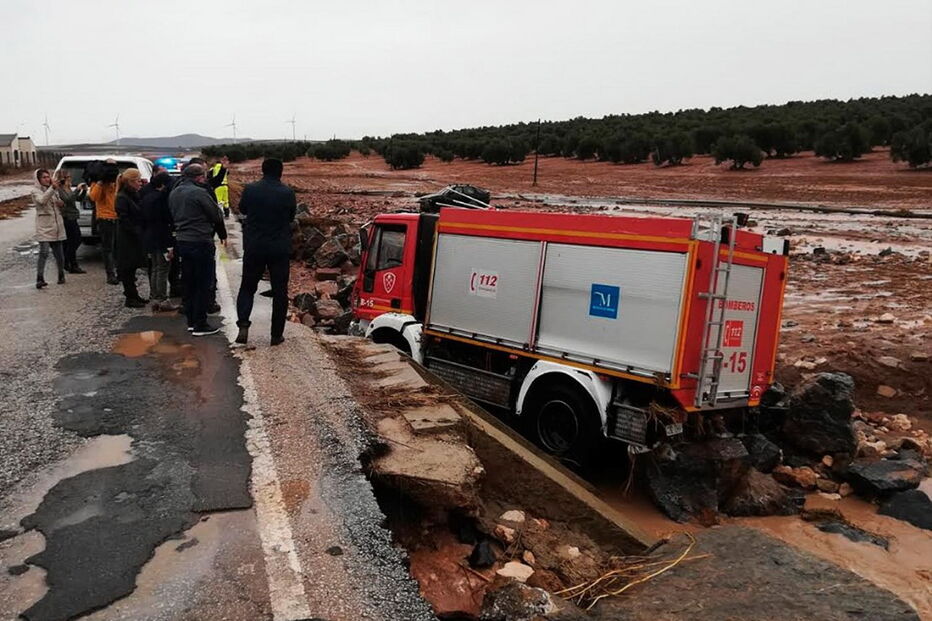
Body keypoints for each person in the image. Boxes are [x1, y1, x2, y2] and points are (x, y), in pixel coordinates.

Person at [235, 158, 296, 346]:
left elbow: (242, 209)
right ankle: (276, 335)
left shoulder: (250, 189)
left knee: (247, 287)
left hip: (254, 246)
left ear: (262, 170)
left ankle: (243, 325)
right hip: (279, 247)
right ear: (281, 172)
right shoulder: (287, 192)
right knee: (280, 292)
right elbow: (291, 216)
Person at [169, 164, 227, 336]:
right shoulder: (199, 193)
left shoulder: (174, 192)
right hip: (200, 240)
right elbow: (215, 215)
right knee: (203, 282)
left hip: (182, 241)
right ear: (200, 177)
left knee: (189, 281)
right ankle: (200, 323)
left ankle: (191, 321)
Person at [140, 172, 179, 311]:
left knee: (155, 268)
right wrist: (170, 244)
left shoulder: (147, 197)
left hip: (150, 237)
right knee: (163, 269)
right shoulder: (162, 199)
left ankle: (155, 297)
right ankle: (162, 299)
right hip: (162, 237)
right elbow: (166, 221)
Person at [114, 169, 149, 308]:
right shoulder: (122, 197)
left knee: (132, 268)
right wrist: (136, 231)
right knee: (127, 269)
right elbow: (124, 218)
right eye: (138, 181)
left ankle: (134, 295)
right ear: (131, 181)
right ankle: (130, 296)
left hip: (134, 236)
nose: (140, 183)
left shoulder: (133, 195)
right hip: (126, 238)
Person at [31, 169, 67, 289]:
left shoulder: (53, 190)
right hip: (44, 226)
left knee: (59, 254)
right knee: (44, 252)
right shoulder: (35, 191)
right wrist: (52, 188)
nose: (47, 179)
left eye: (48, 177)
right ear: (38, 179)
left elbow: (57, 202)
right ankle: (40, 278)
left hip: (56, 225)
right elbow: (42, 200)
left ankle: (61, 275)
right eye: (44, 177)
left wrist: (61, 203)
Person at [87, 160, 120, 284]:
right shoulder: (97, 184)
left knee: (118, 248)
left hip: (117, 218)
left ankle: (120, 272)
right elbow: (93, 197)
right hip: (105, 219)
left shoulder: (116, 182)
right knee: (108, 249)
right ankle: (110, 274)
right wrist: (100, 182)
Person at [54, 169, 87, 274]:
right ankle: (66, 261)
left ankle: (72, 264)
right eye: (68, 177)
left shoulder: (67, 188)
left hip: (73, 216)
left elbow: (77, 199)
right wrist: (77, 189)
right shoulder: (59, 190)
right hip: (67, 217)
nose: (70, 179)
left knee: (71, 242)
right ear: (63, 178)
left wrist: (84, 191)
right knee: (75, 240)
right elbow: (67, 200)